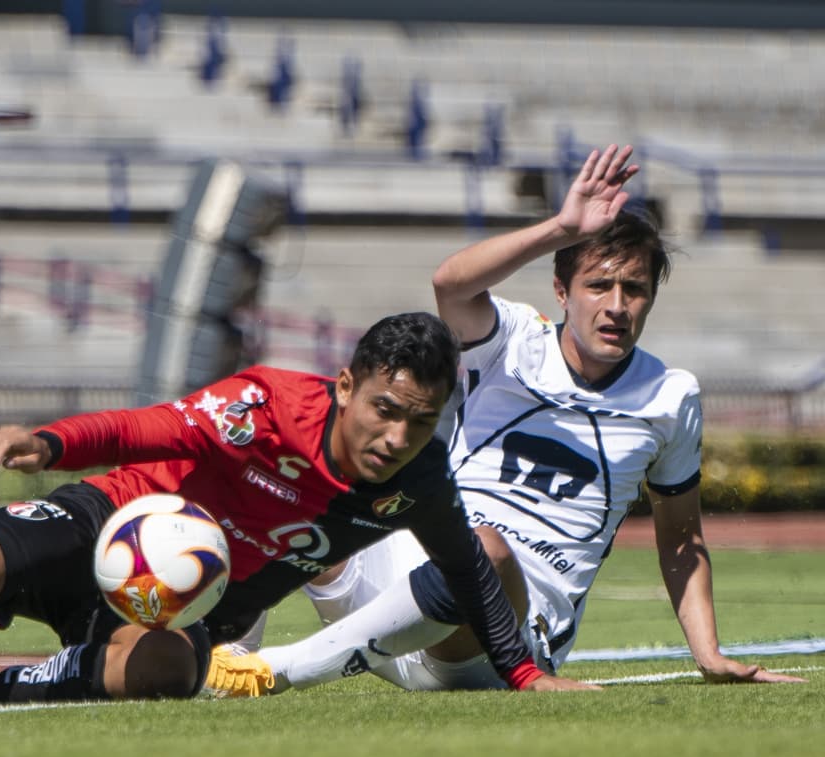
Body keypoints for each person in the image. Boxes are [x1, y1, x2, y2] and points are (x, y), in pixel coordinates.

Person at [0, 311, 591, 709]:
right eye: (385, 409)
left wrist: (523, 675)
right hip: (121, 513)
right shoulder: (264, 403)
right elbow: (151, 425)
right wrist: (52, 443)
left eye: (419, 421)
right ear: (346, 385)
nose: (396, 434)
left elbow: (466, 568)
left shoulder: (419, 478)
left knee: (168, 673)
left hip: (197, 604)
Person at [205, 144, 805, 697]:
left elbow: (681, 538)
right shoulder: (513, 339)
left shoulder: (670, 396)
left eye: (635, 289)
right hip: (394, 577)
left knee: (482, 551)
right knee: (278, 464)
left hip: (498, 634)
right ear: (562, 291)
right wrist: (561, 229)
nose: (617, 306)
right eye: (598, 285)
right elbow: (450, 284)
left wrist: (709, 655)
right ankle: (222, 653)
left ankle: (282, 670)